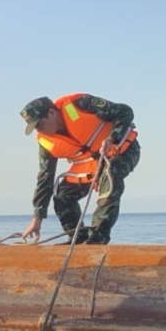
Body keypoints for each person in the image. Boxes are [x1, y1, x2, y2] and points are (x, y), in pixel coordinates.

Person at [20, 93, 140, 244]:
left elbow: (124, 111)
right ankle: (77, 237)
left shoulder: (79, 104)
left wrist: (112, 137)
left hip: (122, 150)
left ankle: (98, 236)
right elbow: (45, 178)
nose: (39, 131)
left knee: (110, 174)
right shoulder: (46, 143)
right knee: (63, 195)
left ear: (51, 113)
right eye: (35, 128)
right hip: (89, 167)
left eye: (40, 125)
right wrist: (36, 219)